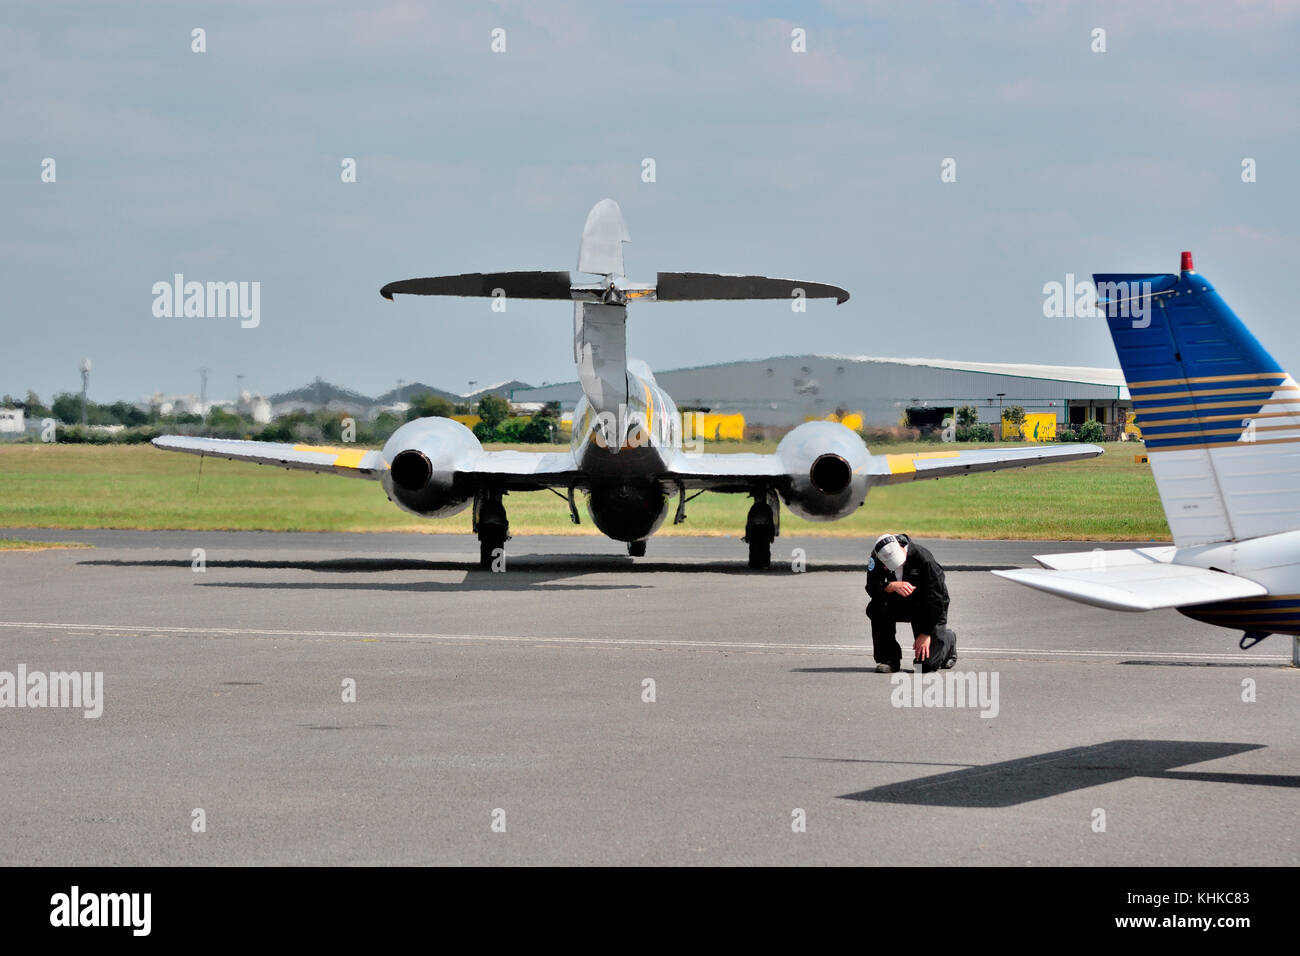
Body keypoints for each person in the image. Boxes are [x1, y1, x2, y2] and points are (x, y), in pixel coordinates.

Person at [865, 533, 957, 674]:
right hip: (898, 602)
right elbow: (871, 587)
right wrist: (889, 586)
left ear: (902, 548)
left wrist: (926, 633)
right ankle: (889, 659)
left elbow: (937, 598)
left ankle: (948, 640)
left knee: (923, 668)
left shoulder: (924, 559)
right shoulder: (877, 556)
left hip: (926, 607)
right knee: (876, 608)